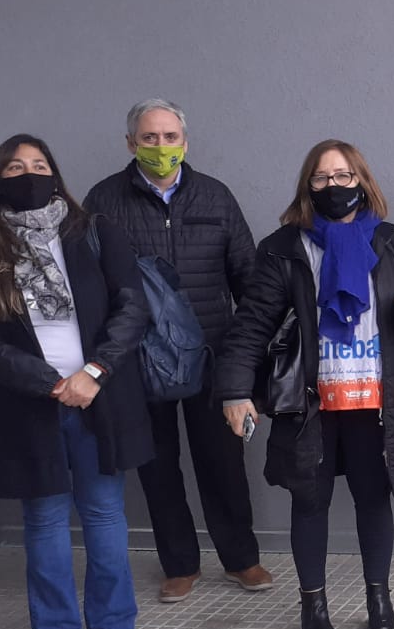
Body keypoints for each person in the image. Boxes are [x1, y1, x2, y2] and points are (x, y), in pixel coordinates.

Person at [215, 140, 394, 629]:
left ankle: (379, 600)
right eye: (321, 178)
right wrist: (235, 390)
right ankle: (312, 607)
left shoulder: (391, 242)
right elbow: (252, 324)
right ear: (307, 186)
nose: (333, 186)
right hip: (310, 403)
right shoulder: (284, 247)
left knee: (373, 500)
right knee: (309, 503)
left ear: (361, 180)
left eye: (343, 176)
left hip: (374, 401)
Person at [0, 136, 152, 629]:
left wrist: (94, 373)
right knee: (43, 522)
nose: (29, 174)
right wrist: (49, 383)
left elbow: (132, 307)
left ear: (56, 174)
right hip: (29, 404)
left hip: (98, 398)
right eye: (16, 167)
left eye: (39, 165)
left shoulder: (95, 232)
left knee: (104, 515)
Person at [84, 99, 270, 603]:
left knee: (224, 462)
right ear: (131, 143)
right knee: (157, 465)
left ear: (185, 142)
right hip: (140, 358)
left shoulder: (216, 196)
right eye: (150, 138)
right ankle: (180, 564)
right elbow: (92, 283)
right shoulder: (103, 201)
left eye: (170, 137)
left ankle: (242, 559)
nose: (161, 146)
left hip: (213, 354)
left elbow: (247, 276)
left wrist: (252, 351)